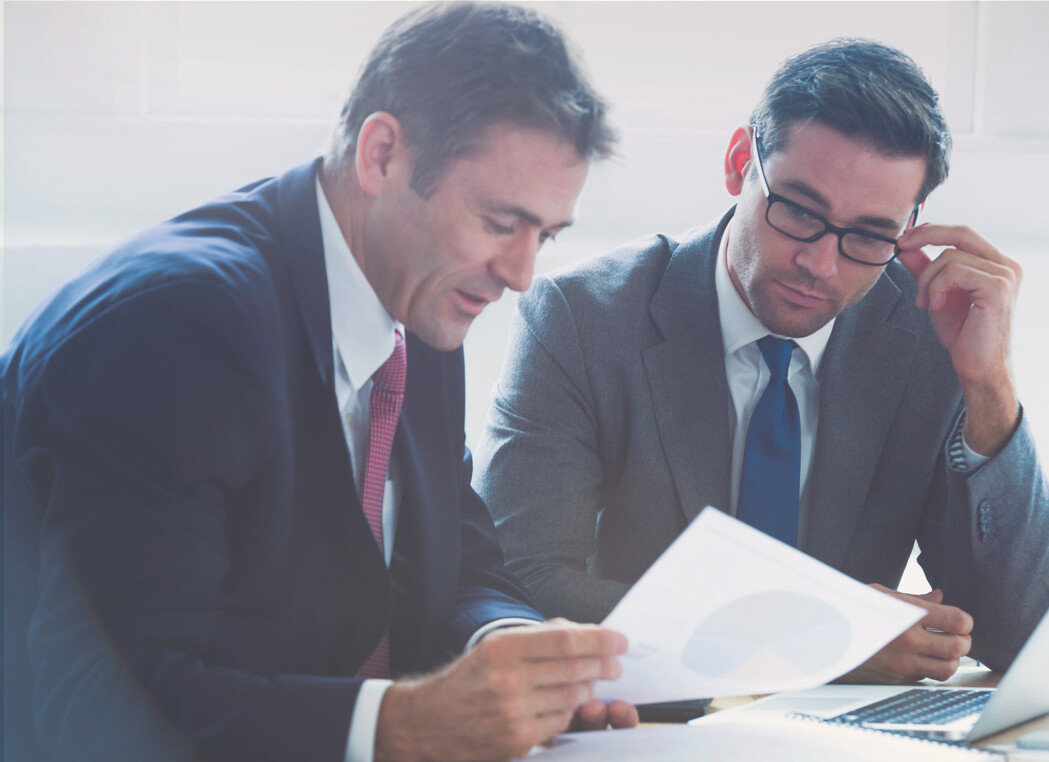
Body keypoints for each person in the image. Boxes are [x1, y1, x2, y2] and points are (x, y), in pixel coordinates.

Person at [0, 4, 639, 761]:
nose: (522, 275)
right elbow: (96, 709)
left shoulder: (420, 296)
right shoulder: (177, 324)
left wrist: (519, 658)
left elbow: (459, 559)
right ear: (381, 155)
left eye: (545, 236)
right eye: (501, 222)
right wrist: (406, 726)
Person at [474, 38, 1049, 682]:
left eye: (869, 235)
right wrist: (816, 640)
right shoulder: (582, 319)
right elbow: (519, 584)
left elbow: (1029, 642)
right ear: (739, 164)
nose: (822, 264)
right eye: (798, 211)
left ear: (912, 225)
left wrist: (990, 389)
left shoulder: (930, 337)